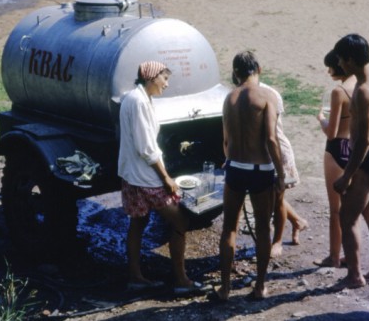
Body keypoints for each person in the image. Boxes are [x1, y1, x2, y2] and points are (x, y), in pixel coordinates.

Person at [118, 61, 211, 296]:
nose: (166, 84)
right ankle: (181, 280)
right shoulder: (138, 102)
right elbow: (146, 148)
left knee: (138, 223)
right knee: (180, 221)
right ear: (151, 78)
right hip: (145, 177)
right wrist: (167, 178)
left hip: (132, 174)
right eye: (164, 79)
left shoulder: (137, 98)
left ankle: (135, 278)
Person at [216, 51, 286, 301]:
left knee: (229, 229)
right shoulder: (267, 96)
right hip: (260, 170)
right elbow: (270, 138)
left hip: (234, 167)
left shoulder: (229, 98)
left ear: (236, 72)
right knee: (263, 229)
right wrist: (281, 173)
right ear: (259, 68)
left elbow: (226, 140)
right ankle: (260, 286)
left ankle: (224, 288)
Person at [331, 34, 369, 291]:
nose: (340, 66)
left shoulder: (365, 91)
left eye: (342, 61)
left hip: (368, 157)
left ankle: (355, 275)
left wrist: (347, 175)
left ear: (351, 59)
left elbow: (363, 140)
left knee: (347, 217)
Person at [313, 49, 356, 268]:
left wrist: (321, 119)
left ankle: (333, 256)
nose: (329, 71)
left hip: (337, 147)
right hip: (355, 147)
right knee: (354, 207)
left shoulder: (339, 91)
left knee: (336, 209)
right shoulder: (362, 85)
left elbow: (331, 131)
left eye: (330, 67)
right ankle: (352, 255)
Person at [259, 82, 308, 258]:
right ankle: (297, 221)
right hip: (261, 153)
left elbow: (271, 134)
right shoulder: (241, 92)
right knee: (271, 197)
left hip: (277, 151)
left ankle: (277, 241)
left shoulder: (270, 94)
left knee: (277, 199)